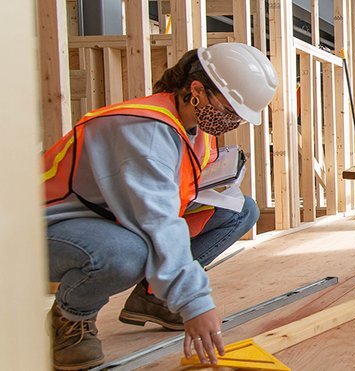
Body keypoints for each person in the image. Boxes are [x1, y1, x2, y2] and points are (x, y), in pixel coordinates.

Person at [43, 43, 278, 370]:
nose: (233, 121)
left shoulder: (193, 125)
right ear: (196, 90)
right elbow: (158, 221)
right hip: (45, 231)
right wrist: (194, 303)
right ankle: (70, 319)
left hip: (107, 217)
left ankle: (153, 297)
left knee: (240, 210)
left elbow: (170, 195)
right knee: (127, 253)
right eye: (230, 110)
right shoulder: (146, 130)